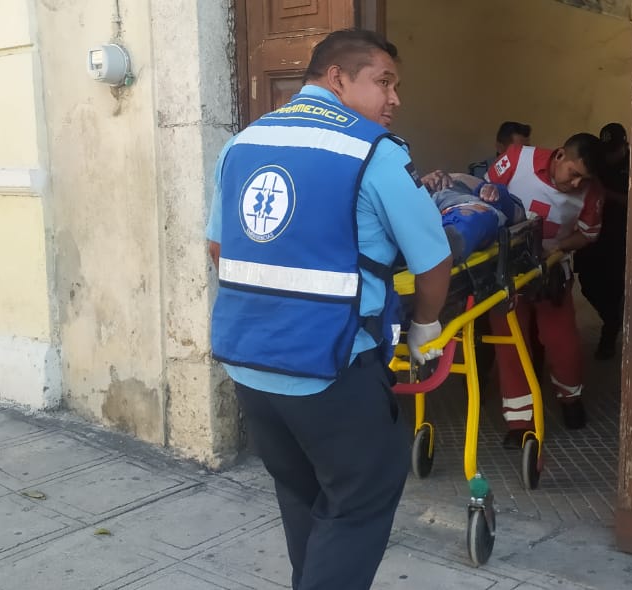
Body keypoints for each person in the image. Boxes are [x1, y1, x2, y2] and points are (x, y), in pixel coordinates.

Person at [205, 29, 452, 590]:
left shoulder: (242, 143)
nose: (395, 99)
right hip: (333, 369)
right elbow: (433, 260)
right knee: (360, 500)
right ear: (338, 78)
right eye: (383, 82)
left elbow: (220, 248)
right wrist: (425, 327)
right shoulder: (373, 151)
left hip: (248, 364)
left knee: (302, 496)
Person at [430, 133, 604, 447]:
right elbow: (482, 196)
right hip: (505, 271)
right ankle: (519, 423)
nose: (577, 184)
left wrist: (558, 249)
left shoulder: (591, 193)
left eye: (584, 180)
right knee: (510, 345)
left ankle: (570, 398)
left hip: (551, 271)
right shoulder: (517, 159)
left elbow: (587, 235)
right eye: (574, 175)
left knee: (561, 341)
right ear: (560, 155)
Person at [575, 122, 629, 360]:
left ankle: (609, 332)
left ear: (624, 146)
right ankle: (613, 318)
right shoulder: (597, 162)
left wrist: (605, 193)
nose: (608, 156)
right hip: (592, 235)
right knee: (588, 284)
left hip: (619, 237)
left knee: (615, 286)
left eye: (613, 151)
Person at [427, 172, 525, 263]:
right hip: (421, 205)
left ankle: (441, 246)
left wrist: (497, 194)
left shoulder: (458, 181)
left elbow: (518, 215)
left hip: (456, 201)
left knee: (475, 217)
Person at [467, 121, 532, 178]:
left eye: (527, 148)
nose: (525, 153)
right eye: (519, 149)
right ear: (500, 147)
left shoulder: (532, 175)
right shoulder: (479, 172)